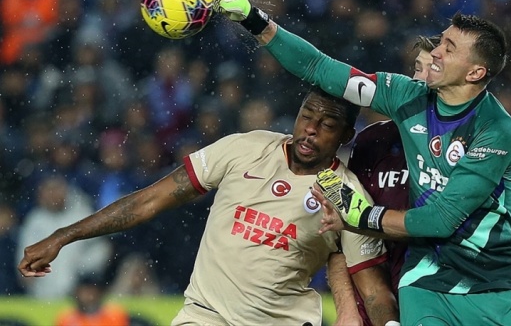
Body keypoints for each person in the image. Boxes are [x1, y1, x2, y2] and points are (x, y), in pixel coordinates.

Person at [216, 0, 511, 325]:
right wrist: (256, 21)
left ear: (475, 73)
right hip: (426, 281)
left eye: (449, 48)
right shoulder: (405, 95)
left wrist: (362, 217)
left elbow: (440, 220)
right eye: (441, 41)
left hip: (495, 282)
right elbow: (319, 68)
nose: (435, 53)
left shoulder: (495, 130)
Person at [18, 87, 398, 326]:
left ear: (347, 135)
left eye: (327, 124)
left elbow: (374, 291)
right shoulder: (244, 148)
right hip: (204, 316)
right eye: (306, 116)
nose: (310, 129)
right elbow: (149, 199)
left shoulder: (348, 196)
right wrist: (64, 235)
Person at [330, 34, 440, 325]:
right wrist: (347, 308)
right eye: (417, 67)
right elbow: (344, 233)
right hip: (372, 297)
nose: (421, 79)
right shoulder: (373, 141)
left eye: (434, 69)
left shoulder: (470, 144)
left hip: (441, 296)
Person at [55, 273, 130, 326]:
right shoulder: (67, 319)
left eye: (92, 291)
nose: (88, 296)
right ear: (77, 293)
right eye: (84, 291)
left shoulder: (115, 315)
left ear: (100, 293)